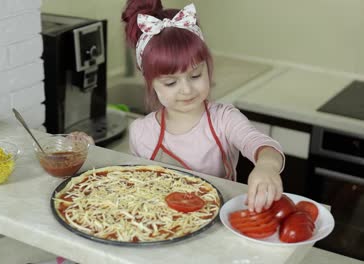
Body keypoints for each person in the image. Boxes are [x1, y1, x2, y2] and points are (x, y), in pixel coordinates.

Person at [122, 0, 285, 213]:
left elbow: (261, 144)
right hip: (163, 228)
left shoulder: (224, 120)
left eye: (196, 75)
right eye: (171, 82)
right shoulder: (141, 132)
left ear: (208, 68)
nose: (187, 90)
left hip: (219, 223)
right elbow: (139, 190)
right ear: (151, 83)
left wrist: (266, 166)